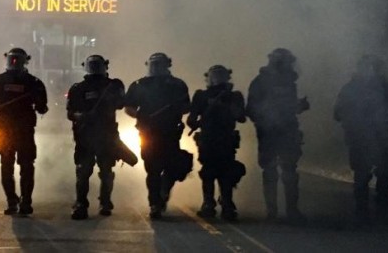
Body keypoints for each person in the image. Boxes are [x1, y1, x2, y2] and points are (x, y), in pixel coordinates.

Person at [246, 48, 309, 224]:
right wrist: (265, 119)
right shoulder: (261, 82)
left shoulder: (290, 82)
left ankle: (291, 210)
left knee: (289, 171)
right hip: (269, 132)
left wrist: (299, 106)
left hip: (287, 129)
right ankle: (272, 211)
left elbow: (289, 107)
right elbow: (251, 108)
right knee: (271, 171)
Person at [125, 53, 190, 219]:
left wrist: (175, 109)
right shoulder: (139, 85)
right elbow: (129, 107)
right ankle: (154, 203)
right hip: (148, 133)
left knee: (172, 167)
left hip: (170, 132)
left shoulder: (177, 85)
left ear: (167, 65)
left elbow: (186, 106)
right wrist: (141, 116)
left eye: (159, 64)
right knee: (152, 170)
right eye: (153, 64)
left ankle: (164, 191)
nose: (155, 67)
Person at [0, 48, 48, 216]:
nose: (13, 62)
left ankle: (20, 201)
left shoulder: (1, 80)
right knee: (18, 166)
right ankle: (18, 201)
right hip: (10, 131)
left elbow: (41, 107)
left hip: (20, 130)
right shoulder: (33, 82)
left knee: (13, 166)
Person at [334, 55, 388, 224]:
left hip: (373, 137)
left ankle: (368, 209)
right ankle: (373, 209)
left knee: (377, 173)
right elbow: (338, 113)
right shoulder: (354, 89)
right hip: (363, 137)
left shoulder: (382, 88)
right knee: (372, 173)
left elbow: (338, 113)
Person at [67, 55, 125, 220]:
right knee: (83, 171)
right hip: (85, 135)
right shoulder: (78, 88)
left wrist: (111, 99)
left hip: (106, 135)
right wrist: (82, 116)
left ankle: (105, 202)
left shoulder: (113, 85)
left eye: (96, 65)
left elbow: (121, 103)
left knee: (106, 170)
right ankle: (81, 204)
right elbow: (71, 112)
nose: (94, 68)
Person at [187, 65, 246, 221]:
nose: (217, 78)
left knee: (227, 172)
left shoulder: (234, 96)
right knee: (208, 172)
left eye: (221, 75)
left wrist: (224, 104)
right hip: (208, 138)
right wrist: (200, 117)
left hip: (226, 138)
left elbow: (241, 116)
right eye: (215, 75)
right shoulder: (201, 95)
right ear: (209, 78)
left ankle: (226, 202)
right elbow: (191, 119)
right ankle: (208, 203)